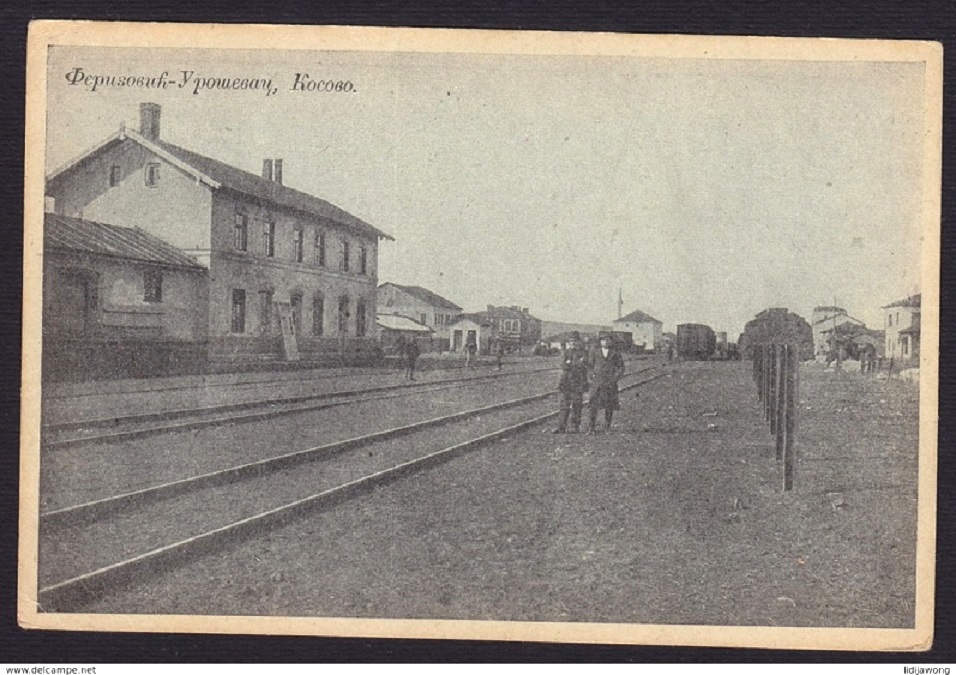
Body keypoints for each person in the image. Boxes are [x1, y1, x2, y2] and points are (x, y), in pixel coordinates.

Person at [587, 333, 625, 433]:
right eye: (603, 340)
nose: (606, 341)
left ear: (611, 341)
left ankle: (607, 427)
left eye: (608, 339)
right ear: (600, 341)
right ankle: (591, 427)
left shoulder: (615, 353)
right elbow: (589, 366)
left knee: (609, 405)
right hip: (597, 383)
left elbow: (621, 367)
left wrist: (615, 378)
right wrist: (591, 377)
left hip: (610, 383)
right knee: (593, 404)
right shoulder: (594, 352)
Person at [553, 332, 589, 433]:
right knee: (564, 405)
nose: (572, 343)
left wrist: (570, 363)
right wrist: (577, 363)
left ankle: (575, 426)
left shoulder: (584, 353)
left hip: (578, 382)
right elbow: (563, 365)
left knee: (577, 405)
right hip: (566, 382)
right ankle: (561, 427)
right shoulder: (566, 352)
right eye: (571, 341)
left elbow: (584, 365)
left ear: (579, 342)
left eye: (574, 341)